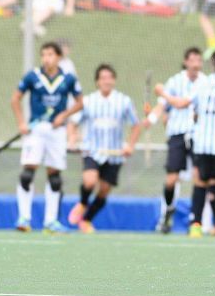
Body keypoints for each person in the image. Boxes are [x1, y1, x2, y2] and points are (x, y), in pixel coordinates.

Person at [154, 50, 215, 238]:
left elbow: (182, 103)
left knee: (200, 182)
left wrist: (163, 94)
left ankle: (196, 225)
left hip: (203, 146)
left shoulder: (202, 84)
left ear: (212, 65)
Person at [11, 41, 83, 234]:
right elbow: (15, 98)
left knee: (55, 177)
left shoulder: (68, 79)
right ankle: (24, 218)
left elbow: (80, 102)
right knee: (28, 173)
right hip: (36, 129)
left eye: (50, 54)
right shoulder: (33, 76)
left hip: (56, 130)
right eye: (43, 54)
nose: (46, 58)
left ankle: (50, 221)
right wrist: (21, 123)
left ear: (58, 57)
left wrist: (64, 116)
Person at [67, 64, 141, 234]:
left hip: (114, 154)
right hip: (92, 150)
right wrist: (72, 137)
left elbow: (136, 125)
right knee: (90, 181)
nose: (106, 81)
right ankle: (83, 203)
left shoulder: (124, 101)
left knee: (104, 190)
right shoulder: (88, 101)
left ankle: (86, 220)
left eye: (109, 77)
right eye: (103, 78)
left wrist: (130, 145)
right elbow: (73, 122)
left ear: (114, 80)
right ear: (97, 82)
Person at [144, 47, 207, 234]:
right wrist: (150, 120)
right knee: (171, 180)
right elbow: (161, 107)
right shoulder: (175, 81)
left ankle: (196, 223)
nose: (196, 62)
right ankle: (169, 210)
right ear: (186, 62)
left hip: (199, 136)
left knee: (199, 178)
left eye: (199, 59)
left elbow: (178, 103)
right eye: (192, 59)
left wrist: (162, 92)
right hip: (177, 135)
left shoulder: (206, 82)